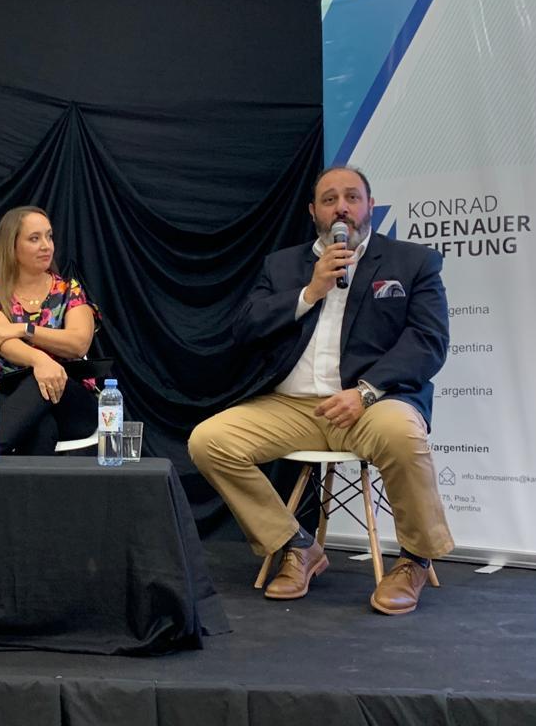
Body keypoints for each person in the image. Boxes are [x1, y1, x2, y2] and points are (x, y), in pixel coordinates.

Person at [188, 166, 454, 615]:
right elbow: (245, 328)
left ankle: (414, 559)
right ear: (314, 211)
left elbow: (428, 342)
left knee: (403, 433)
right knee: (209, 441)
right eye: (330, 200)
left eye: (352, 197)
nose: (341, 208)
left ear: (370, 206)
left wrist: (366, 391)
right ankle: (296, 545)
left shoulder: (412, 263)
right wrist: (310, 291)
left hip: (371, 402)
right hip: (292, 407)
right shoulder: (282, 265)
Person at [0, 205, 101, 454]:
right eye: (34, 239)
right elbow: (3, 343)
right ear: (11, 246)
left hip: (70, 404)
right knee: (40, 428)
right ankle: (4, 468)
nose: (46, 246)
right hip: (9, 400)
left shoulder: (69, 290)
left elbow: (79, 343)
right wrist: (41, 361)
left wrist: (24, 329)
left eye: (49, 236)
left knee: (37, 382)